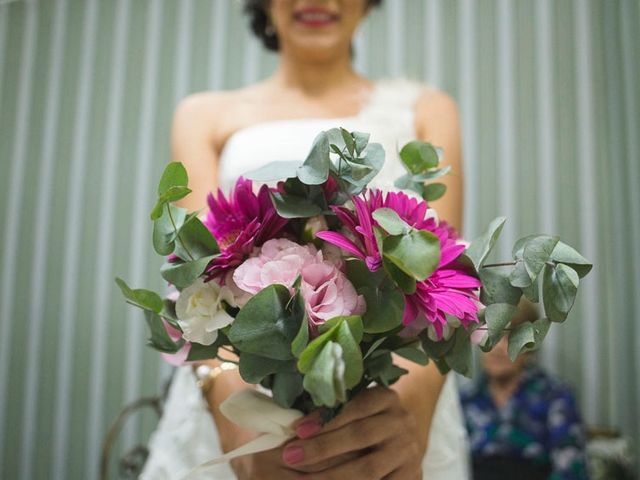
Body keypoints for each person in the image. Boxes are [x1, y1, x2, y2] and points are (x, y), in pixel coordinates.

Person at [142, 1, 470, 478]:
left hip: (394, 401)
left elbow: (439, 289)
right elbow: (197, 283)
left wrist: (407, 430)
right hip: (235, 404)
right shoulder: (203, 115)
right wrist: (242, 433)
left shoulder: (427, 110)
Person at [460, 300, 590, 480]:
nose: (497, 348)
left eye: (510, 338)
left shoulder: (554, 396)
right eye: (491, 336)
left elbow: (571, 470)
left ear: (530, 344)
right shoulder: (466, 399)